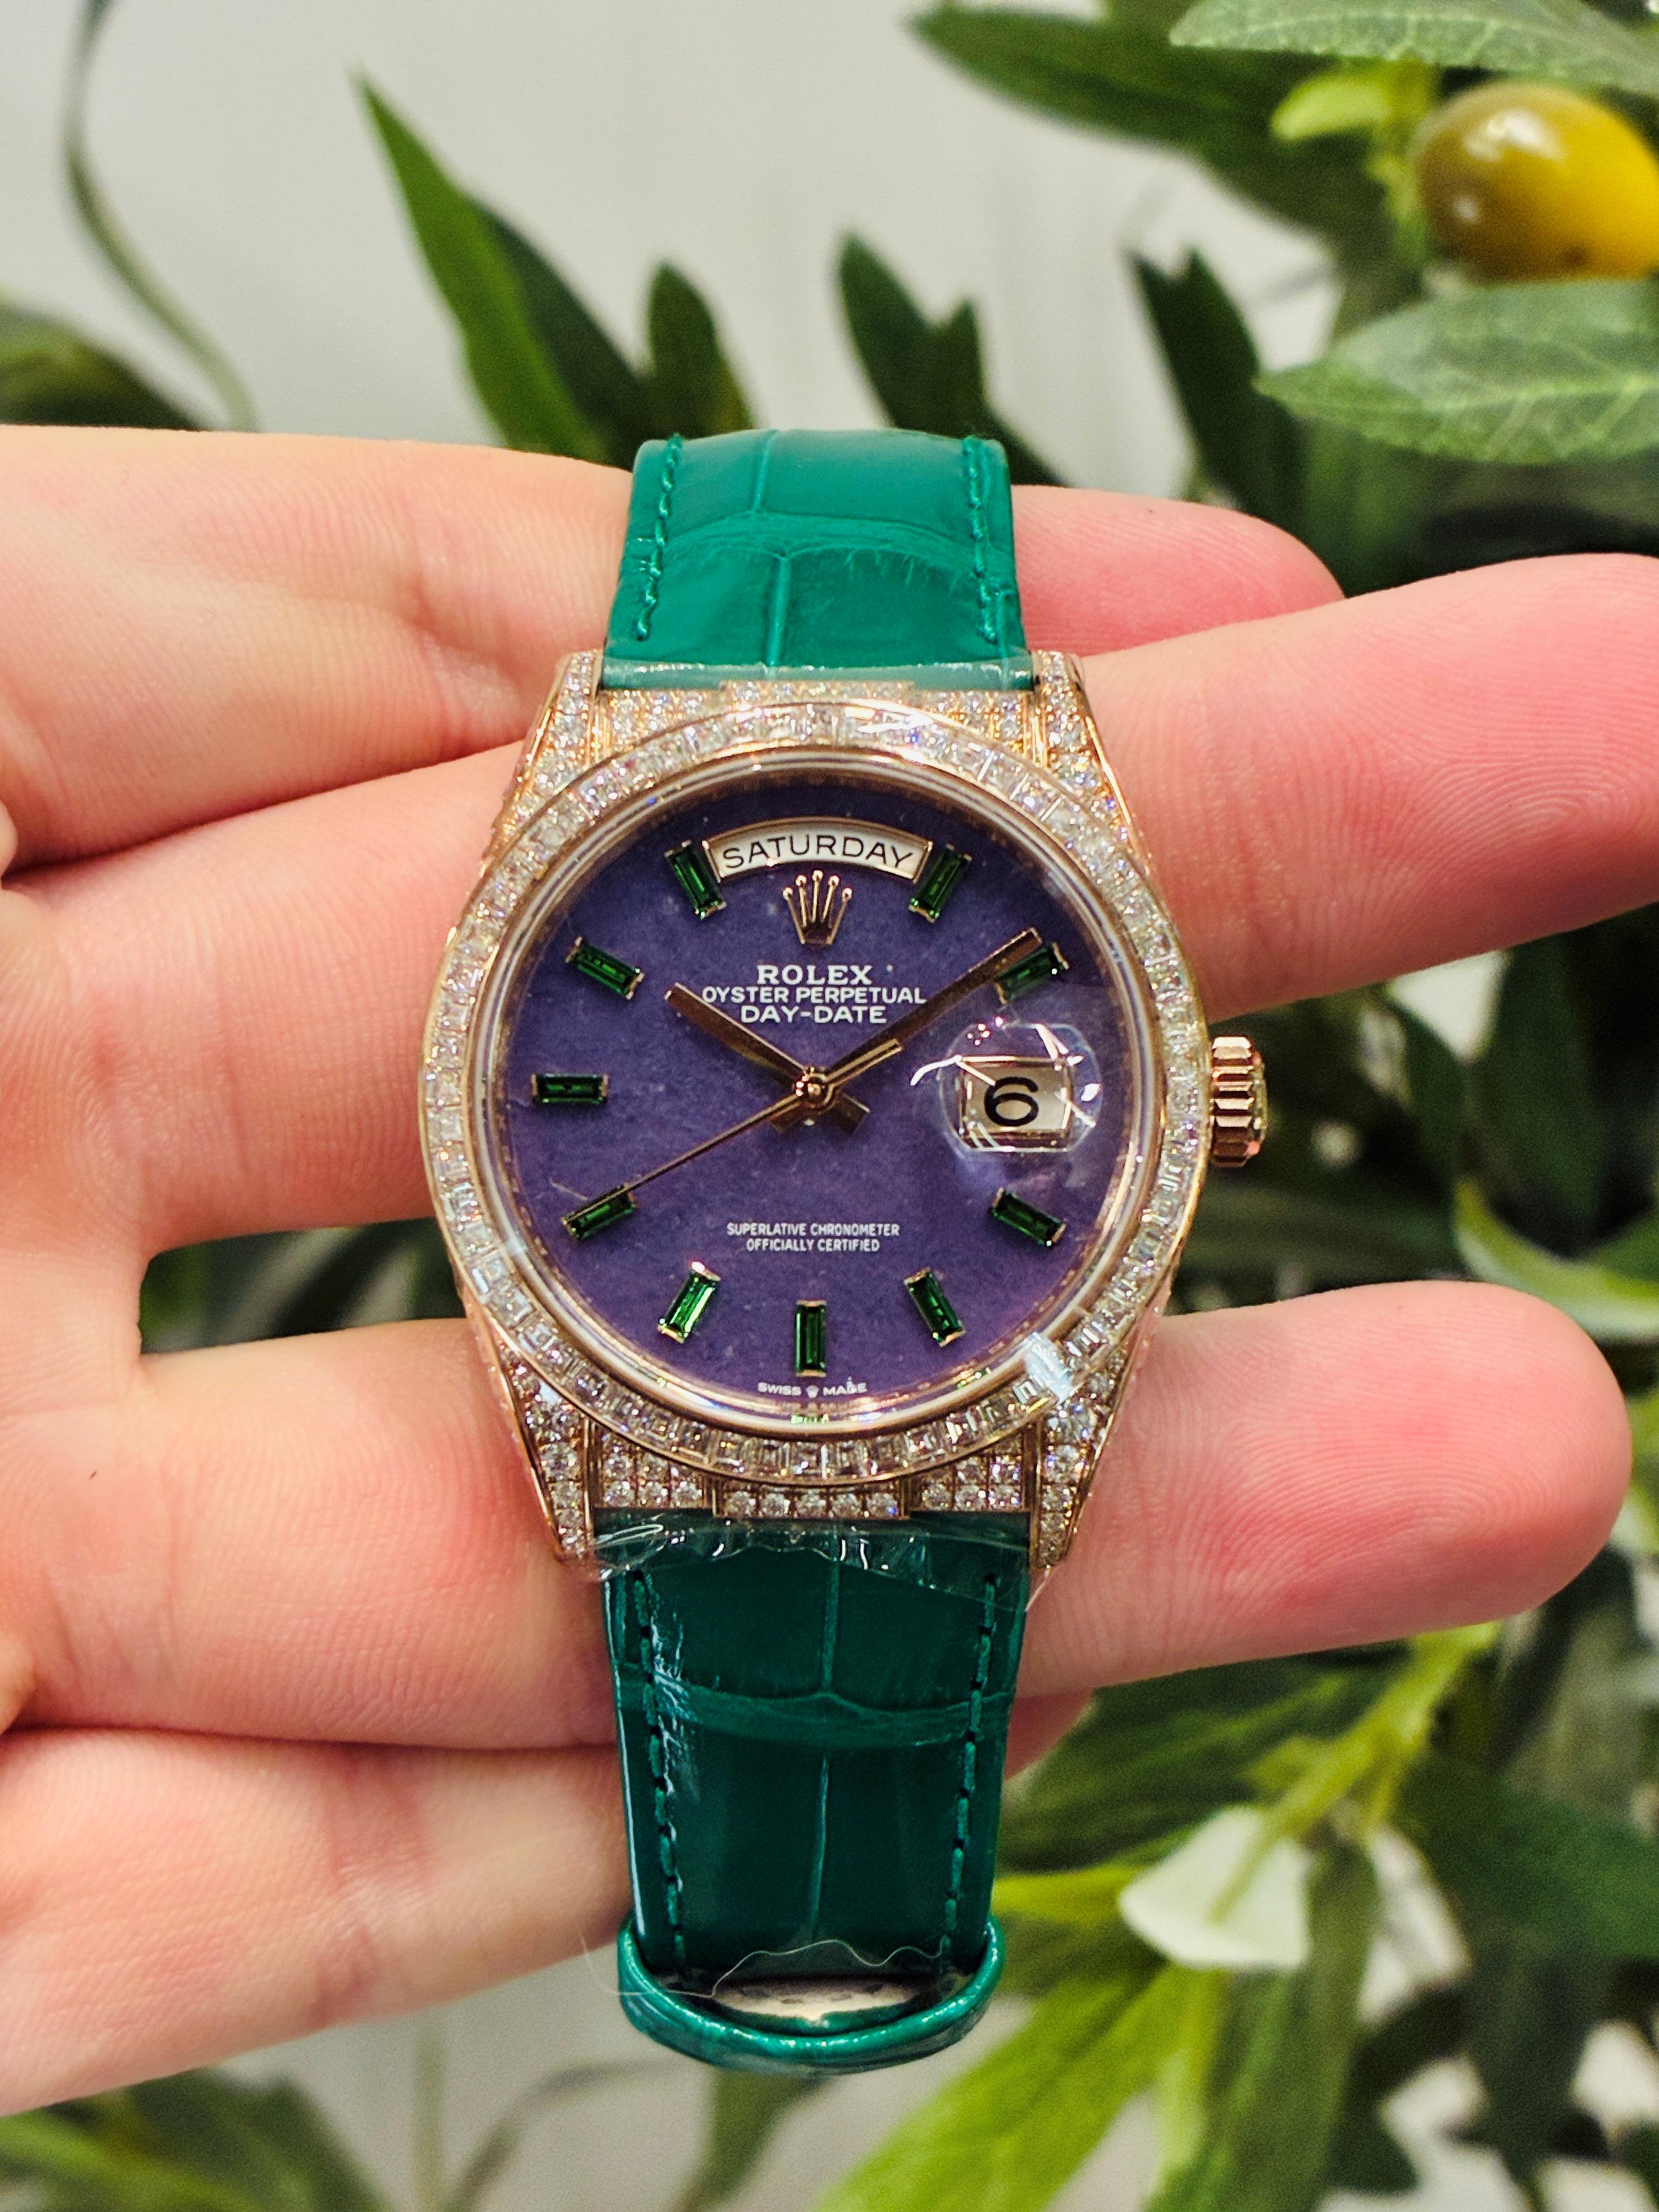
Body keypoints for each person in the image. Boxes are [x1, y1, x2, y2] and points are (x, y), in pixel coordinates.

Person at [0, 425, 1638, 2111]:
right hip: (729, 1382)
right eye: (788, 1086)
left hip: (909, 1378)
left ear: (1200, 1105)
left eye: (821, 1089)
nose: (808, 1097)